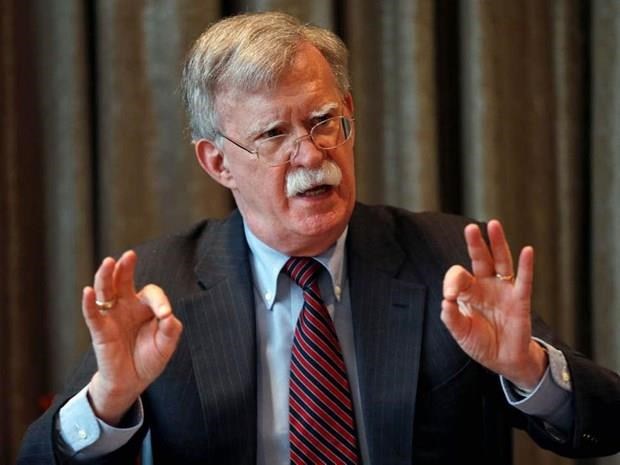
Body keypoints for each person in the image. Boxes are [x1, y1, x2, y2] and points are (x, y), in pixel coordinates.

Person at [18, 11, 619, 465]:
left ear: (348, 113)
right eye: (274, 134)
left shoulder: (448, 261)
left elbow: (606, 424)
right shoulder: (161, 287)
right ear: (218, 162)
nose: (311, 155)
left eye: (323, 121)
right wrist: (108, 401)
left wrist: (528, 369)